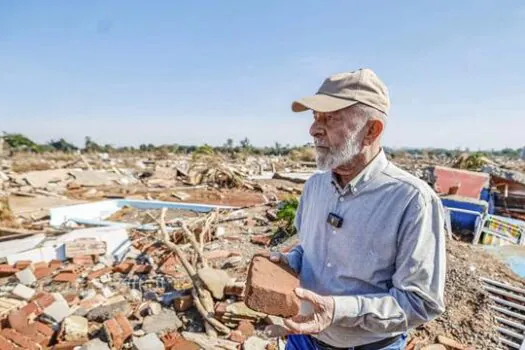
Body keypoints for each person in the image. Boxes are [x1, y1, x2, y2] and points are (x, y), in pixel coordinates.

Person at [268, 68, 446, 350]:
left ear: (371, 130)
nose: (313, 129)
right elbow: (310, 250)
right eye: (315, 118)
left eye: (330, 118)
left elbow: (420, 302)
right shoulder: (315, 187)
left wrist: (337, 310)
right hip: (303, 339)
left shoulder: (412, 200)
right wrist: (291, 262)